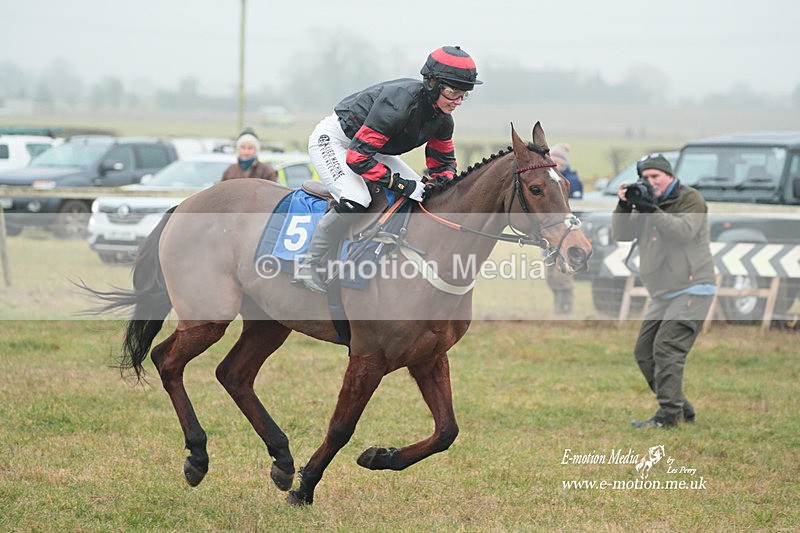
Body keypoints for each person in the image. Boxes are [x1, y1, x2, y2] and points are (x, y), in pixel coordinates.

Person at [296, 45, 482, 293]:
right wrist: (402, 185)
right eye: (453, 92)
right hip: (336, 141)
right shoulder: (399, 104)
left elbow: (443, 164)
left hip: (371, 148)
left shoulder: (443, 118)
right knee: (356, 198)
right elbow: (358, 158)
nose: (458, 101)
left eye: (464, 95)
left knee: (425, 196)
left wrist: (443, 186)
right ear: (432, 83)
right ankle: (309, 264)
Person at [612, 153, 717, 428]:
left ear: (669, 175)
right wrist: (624, 205)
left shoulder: (690, 199)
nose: (650, 181)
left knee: (667, 348)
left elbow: (682, 231)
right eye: (645, 177)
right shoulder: (647, 200)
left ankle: (668, 416)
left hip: (693, 287)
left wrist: (651, 209)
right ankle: (682, 409)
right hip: (663, 291)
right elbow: (621, 235)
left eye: (655, 176)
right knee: (644, 352)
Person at [546, 144, 584, 313]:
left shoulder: (573, 182)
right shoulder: (548, 180)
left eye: (557, 162)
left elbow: (578, 209)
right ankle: (558, 307)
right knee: (551, 275)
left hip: (568, 234)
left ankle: (565, 309)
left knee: (563, 272)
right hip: (551, 234)